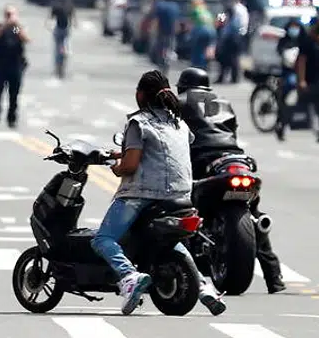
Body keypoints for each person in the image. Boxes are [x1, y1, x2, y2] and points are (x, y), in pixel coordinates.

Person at [91, 70, 225, 316]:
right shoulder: (179, 123)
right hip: (182, 195)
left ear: (141, 95)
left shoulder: (138, 122)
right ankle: (204, 286)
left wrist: (115, 166)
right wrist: (119, 153)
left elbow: (131, 165)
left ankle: (129, 277)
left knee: (103, 239)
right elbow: (161, 153)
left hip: (143, 194)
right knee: (172, 242)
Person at [176, 67, 285, 293]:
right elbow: (230, 131)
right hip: (234, 158)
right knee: (255, 215)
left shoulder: (179, 101)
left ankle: (168, 268)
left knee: (174, 205)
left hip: (200, 158)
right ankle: (274, 277)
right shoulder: (222, 102)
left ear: (183, 86)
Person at [0, 6, 29, 128]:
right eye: (7, 14)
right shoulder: (0, 27)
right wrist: (5, 25)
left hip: (15, 65)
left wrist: (15, 25)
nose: (9, 17)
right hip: (0, 66)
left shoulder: (16, 28)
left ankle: (12, 118)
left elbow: (25, 38)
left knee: (14, 94)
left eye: (11, 14)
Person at [293, 16, 319, 144]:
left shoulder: (318, 41)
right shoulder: (307, 42)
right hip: (311, 80)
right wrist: (301, 80)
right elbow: (301, 62)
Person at [214, 0, 250, 85]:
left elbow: (227, 29)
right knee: (232, 59)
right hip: (237, 38)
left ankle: (229, 77)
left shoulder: (234, 16)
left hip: (232, 40)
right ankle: (231, 77)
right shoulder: (242, 11)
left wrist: (222, 40)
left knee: (229, 59)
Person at [49, 0, 73, 79]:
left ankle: (57, 67)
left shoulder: (56, 7)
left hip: (58, 29)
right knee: (64, 46)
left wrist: (48, 25)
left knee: (57, 48)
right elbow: (71, 18)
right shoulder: (69, 7)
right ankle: (62, 65)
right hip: (65, 30)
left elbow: (51, 18)